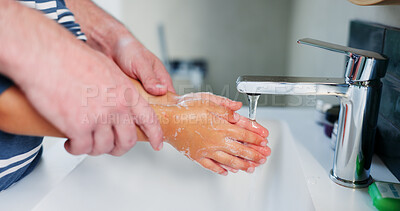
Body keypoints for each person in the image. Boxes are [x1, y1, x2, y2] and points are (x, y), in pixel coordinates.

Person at [0, 0, 270, 191]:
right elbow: (8, 103)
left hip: (27, 181)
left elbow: (94, 84)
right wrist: (173, 123)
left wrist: (177, 106)